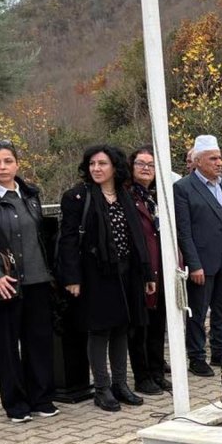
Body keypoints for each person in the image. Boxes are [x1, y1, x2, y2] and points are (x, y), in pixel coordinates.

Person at [58, 144, 156, 411]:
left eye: (102, 164)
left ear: (115, 166)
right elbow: (67, 240)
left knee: (122, 327)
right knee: (100, 330)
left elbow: (138, 237)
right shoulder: (77, 196)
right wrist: (71, 277)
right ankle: (102, 388)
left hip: (127, 272)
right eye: (92, 164)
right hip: (95, 274)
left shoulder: (125, 195)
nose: (96, 169)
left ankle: (120, 384)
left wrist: (146, 273)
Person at [0, 141, 58, 422]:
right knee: (7, 346)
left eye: (8, 161)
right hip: (4, 282)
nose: (3, 167)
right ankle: (16, 404)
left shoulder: (30, 194)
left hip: (38, 279)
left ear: (17, 163)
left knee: (39, 342)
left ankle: (41, 398)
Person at [173, 135, 222, 375]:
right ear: (197, 161)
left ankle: (219, 351)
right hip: (202, 262)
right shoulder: (183, 188)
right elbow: (184, 231)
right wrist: (193, 265)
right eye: (213, 158)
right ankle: (196, 357)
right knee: (198, 310)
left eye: (220, 158)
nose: (219, 162)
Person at [126, 146, 170, 395]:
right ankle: (142, 377)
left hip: (161, 268)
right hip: (141, 270)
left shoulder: (155, 196)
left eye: (150, 165)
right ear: (131, 168)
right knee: (140, 327)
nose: (146, 168)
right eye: (140, 164)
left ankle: (156, 372)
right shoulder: (128, 196)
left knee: (158, 325)